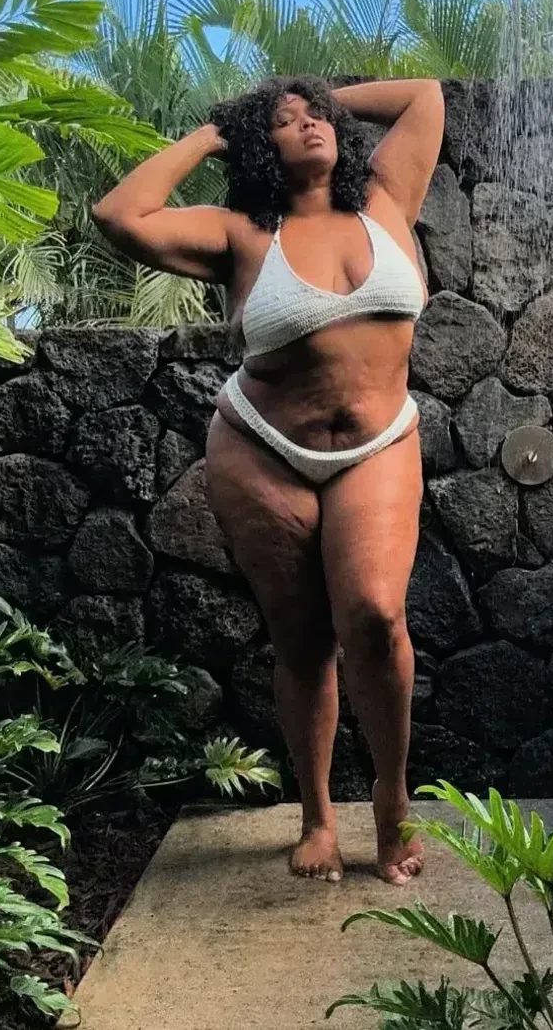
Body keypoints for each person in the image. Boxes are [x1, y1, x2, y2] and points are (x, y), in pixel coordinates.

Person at [92, 76, 444, 886]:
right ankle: (317, 816)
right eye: (286, 122)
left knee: (376, 616)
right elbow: (119, 214)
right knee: (302, 640)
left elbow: (423, 96)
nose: (310, 125)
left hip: (379, 443)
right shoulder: (241, 233)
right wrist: (219, 129)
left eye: (318, 116)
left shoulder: (388, 197)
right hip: (261, 448)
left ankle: (391, 798)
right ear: (261, 147)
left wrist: (313, 95)